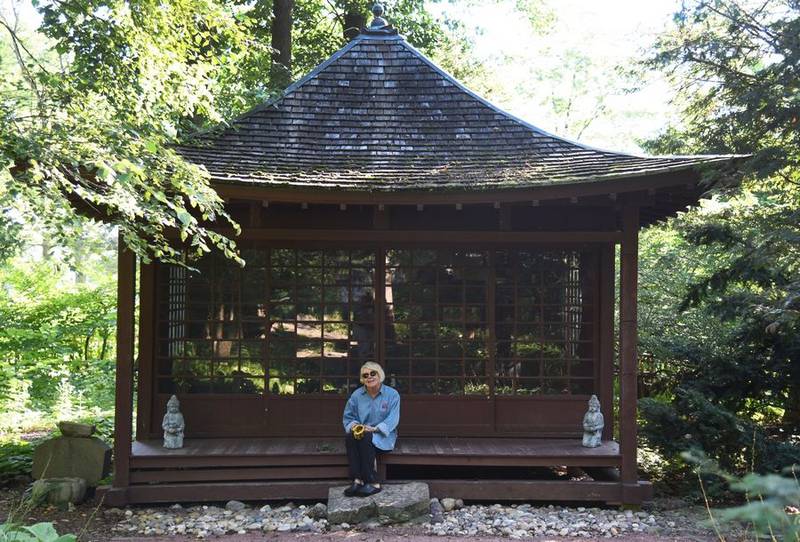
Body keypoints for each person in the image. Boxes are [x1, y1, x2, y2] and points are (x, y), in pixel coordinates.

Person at [342, 361, 400, 497]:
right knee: (350, 436)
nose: (369, 377)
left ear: (380, 375)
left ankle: (373, 482)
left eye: (373, 373)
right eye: (365, 375)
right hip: (362, 433)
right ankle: (357, 480)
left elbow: (393, 419)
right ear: (362, 379)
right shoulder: (357, 395)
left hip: (383, 436)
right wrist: (355, 426)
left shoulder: (392, 394)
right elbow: (348, 417)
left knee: (366, 438)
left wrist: (374, 429)